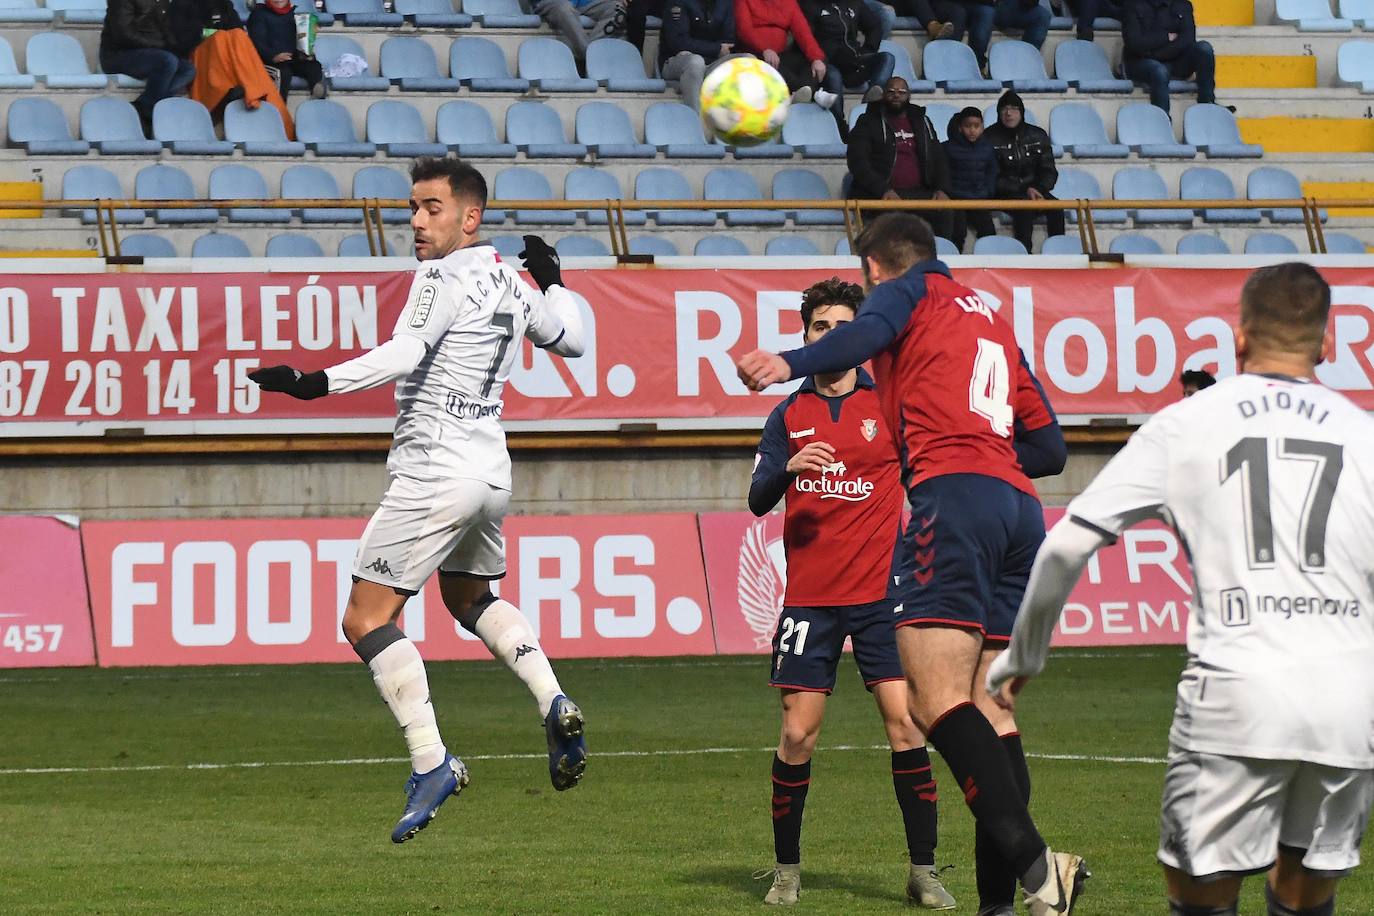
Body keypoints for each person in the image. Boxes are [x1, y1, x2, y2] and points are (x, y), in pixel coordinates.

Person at [989, 263, 1374, 916]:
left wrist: (1022, 658)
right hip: (1348, 700)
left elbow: (1064, 545)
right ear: (1329, 344)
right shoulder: (1363, 434)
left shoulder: (1189, 423)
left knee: (1200, 896)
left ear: (1239, 339)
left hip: (1237, 693)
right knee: (1305, 895)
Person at [735, 212, 1082, 916]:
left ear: (874, 271)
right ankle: (1000, 906)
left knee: (932, 703)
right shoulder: (991, 317)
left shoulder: (908, 290)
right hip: (1019, 513)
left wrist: (786, 362)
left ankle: (1038, 866)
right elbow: (1050, 449)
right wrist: (984, 453)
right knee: (994, 709)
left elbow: (866, 333)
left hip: (954, 504)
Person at [248, 159, 589, 843]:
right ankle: (554, 699)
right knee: (468, 598)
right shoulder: (515, 286)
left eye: (432, 208)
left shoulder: (441, 276)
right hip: (490, 472)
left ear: (471, 218)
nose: (416, 221)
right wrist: (553, 278)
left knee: (364, 618)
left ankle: (431, 761)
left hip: (434, 469)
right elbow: (574, 339)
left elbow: (405, 353)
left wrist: (313, 383)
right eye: (412, 207)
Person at [749, 279, 956, 910]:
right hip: (810, 599)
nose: (831, 336)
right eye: (820, 327)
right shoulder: (787, 415)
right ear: (805, 335)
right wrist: (787, 470)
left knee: (906, 727)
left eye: (845, 325)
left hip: (882, 599)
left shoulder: (892, 404)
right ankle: (787, 871)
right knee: (798, 735)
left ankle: (923, 872)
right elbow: (758, 499)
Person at [847, 77, 952, 242]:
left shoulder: (922, 121)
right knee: (897, 226)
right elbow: (858, 162)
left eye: (902, 92)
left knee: (949, 211)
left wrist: (942, 189)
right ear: (883, 96)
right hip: (881, 193)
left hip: (919, 192)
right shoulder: (868, 121)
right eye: (891, 92)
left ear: (909, 96)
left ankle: (945, 260)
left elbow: (938, 158)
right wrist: (883, 190)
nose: (896, 95)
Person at [983, 90, 1064, 253]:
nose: (1008, 113)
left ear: (1021, 112)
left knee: (1057, 208)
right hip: (1005, 192)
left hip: (1034, 189)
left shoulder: (1037, 135)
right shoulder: (988, 137)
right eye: (1004, 109)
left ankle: (1059, 254)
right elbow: (990, 176)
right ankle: (1025, 255)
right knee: (1024, 209)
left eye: (1014, 108)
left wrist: (1038, 188)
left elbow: (1049, 170)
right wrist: (1022, 190)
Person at [99, 0, 195, 129]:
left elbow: (166, 30)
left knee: (187, 69)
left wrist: (176, 47)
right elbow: (123, 34)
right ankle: (150, 115)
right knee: (167, 60)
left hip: (151, 53)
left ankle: (144, 105)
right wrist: (160, 46)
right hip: (118, 55)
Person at [801, 0, 896, 123]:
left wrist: (868, 50)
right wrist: (817, 58)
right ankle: (839, 125)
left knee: (887, 58)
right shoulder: (810, 4)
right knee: (834, 76)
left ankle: (872, 103)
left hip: (854, 61)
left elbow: (874, 26)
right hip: (827, 63)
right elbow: (805, 37)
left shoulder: (854, 3)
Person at [735, 0, 838, 109]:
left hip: (780, 55)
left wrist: (816, 58)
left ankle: (801, 94)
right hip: (754, 55)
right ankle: (813, 94)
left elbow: (803, 33)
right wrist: (764, 49)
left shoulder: (789, 2)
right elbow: (744, 30)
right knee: (770, 66)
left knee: (817, 61)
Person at [1122, 0, 1216, 115]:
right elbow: (1134, 43)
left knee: (1204, 48)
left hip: (1172, 60)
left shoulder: (1183, 5)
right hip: (1140, 62)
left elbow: (1187, 40)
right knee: (1159, 70)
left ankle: (1208, 103)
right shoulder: (1132, 5)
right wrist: (1165, 38)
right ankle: (1163, 119)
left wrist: (1155, 54)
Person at [658, 0, 736, 111]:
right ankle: (695, 119)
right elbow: (678, 42)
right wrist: (716, 48)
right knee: (695, 62)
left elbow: (729, 41)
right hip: (676, 61)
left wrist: (715, 50)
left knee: (748, 59)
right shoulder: (677, 2)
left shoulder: (725, 2)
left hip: (712, 61)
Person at [943, 106, 998, 253]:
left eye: (976, 126)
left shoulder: (987, 147)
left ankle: (988, 263)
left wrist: (988, 191)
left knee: (988, 232)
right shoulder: (948, 148)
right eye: (968, 126)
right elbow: (944, 173)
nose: (972, 130)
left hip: (979, 198)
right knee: (957, 233)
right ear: (960, 127)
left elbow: (992, 171)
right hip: (956, 199)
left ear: (982, 127)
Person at [248, 0, 326, 101]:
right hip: (268, 61)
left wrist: (304, 53)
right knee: (284, 73)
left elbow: (295, 41)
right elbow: (256, 42)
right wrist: (272, 56)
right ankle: (278, 108)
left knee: (314, 66)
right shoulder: (258, 14)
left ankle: (317, 101)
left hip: (290, 59)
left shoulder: (291, 14)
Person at [968, 0, 1051, 73]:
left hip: (1013, 6)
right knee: (986, 13)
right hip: (984, 5)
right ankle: (976, 67)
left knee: (1043, 15)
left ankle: (1024, 66)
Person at [536, 0, 627, 66]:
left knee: (618, 9)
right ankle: (591, 59)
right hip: (555, 2)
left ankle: (588, 53)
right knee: (565, 8)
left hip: (586, 2)